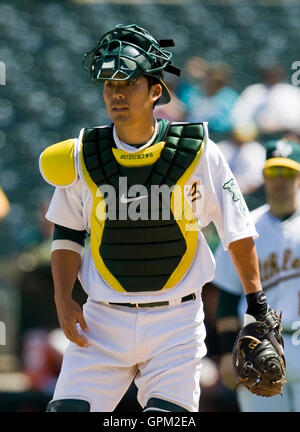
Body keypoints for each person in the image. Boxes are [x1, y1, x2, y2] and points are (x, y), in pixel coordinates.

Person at [39, 23, 269, 413]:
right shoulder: (82, 155)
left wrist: (258, 306)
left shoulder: (198, 152)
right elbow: (67, 231)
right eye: (110, 85)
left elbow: (238, 231)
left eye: (128, 83)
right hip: (101, 319)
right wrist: (63, 298)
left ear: (155, 91)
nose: (117, 94)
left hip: (175, 321)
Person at [214, 138, 300, 412]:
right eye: (274, 172)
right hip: (258, 346)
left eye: (287, 172)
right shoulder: (244, 228)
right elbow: (227, 298)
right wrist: (227, 352)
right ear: (263, 175)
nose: (280, 180)